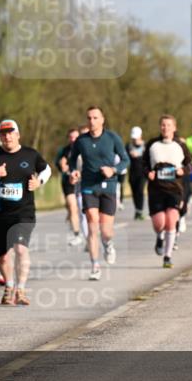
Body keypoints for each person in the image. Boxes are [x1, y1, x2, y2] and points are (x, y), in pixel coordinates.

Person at [0, 119, 50, 305]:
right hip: (0, 213)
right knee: (3, 255)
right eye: (3, 133)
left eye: (10, 133)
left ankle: (21, 289)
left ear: (18, 135)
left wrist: (38, 182)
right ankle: (9, 287)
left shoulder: (30, 154)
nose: (7, 136)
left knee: (21, 249)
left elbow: (46, 170)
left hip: (24, 212)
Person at [67, 107, 130, 280]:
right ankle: (95, 265)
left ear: (102, 119)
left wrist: (113, 170)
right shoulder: (81, 140)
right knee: (92, 224)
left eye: (95, 117)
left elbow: (126, 160)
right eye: (89, 118)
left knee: (106, 230)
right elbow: (72, 160)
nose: (92, 121)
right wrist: (73, 172)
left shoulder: (112, 138)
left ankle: (108, 244)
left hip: (109, 187)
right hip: (88, 186)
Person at [144, 115, 190, 268]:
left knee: (171, 220)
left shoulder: (180, 146)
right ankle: (159, 236)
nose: (166, 128)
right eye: (163, 125)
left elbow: (190, 164)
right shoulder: (152, 144)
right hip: (156, 189)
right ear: (160, 127)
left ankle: (167, 256)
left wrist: (183, 170)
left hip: (174, 189)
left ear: (174, 128)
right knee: (159, 223)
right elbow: (143, 164)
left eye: (169, 125)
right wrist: (147, 173)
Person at [56, 128, 85, 244]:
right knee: (73, 207)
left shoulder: (84, 149)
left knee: (82, 209)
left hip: (82, 181)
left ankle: (88, 232)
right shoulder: (64, 151)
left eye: (76, 137)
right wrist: (62, 166)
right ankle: (77, 234)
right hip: (68, 181)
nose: (73, 139)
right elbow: (58, 164)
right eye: (71, 137)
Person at [125, 126, 147, 220]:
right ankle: (137, 210)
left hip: (142, 172)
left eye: (136, 137)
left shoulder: (145, 145)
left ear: (140, 136)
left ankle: (140, 211)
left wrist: (139, 156)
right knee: (134, 192)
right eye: (133, 138)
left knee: (140, 191)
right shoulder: (128, 146)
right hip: (132, 172)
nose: (134, 139)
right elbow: (124, 159)